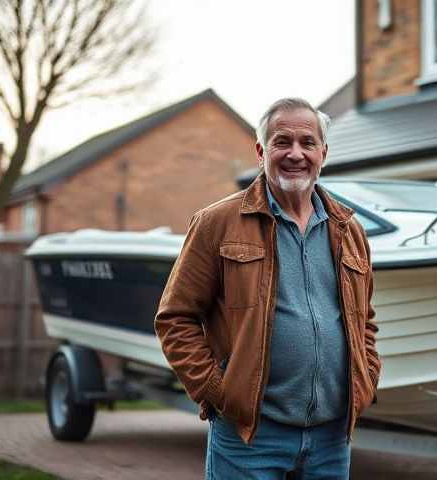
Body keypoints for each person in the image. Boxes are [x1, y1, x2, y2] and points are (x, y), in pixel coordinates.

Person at [155, 97, 380, 479]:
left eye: (307, 143)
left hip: (331, 439)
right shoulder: (218, 223)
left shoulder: (349, 230)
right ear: (261, 152)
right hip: (251, 438)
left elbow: (365, 323)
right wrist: (220, 391)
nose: (296, 153)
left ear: (323, 152)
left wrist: (367, 379)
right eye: (282, 142)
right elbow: (176, 319)